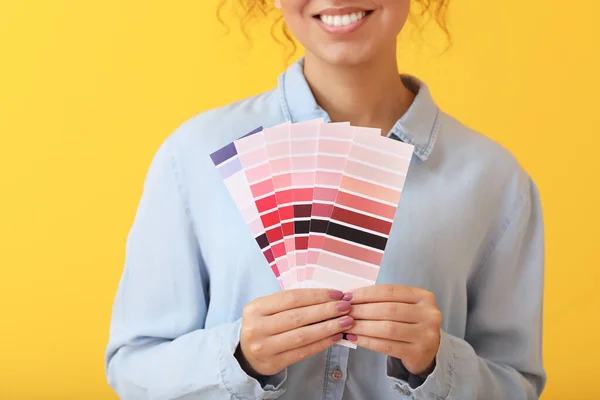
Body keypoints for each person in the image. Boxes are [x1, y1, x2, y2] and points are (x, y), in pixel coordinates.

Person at [104, 0, 546, 399]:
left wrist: (437, 363)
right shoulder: (195, 156)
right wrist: (237, 357)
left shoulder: (496, 181)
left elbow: (517, 385)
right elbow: (133, 368)